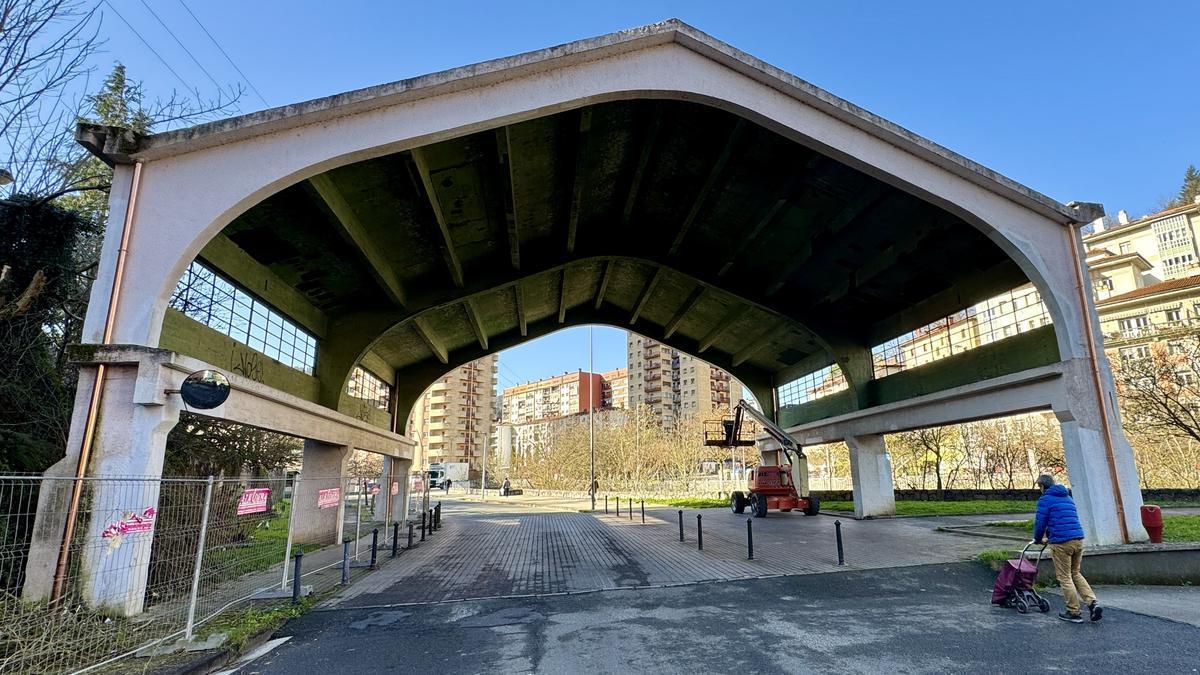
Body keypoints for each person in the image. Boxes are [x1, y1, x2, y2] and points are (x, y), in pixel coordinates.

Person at [1033, 474, 1102, 623]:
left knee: (1065, 577)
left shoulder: (1045, 499)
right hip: (1078, 539)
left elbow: (1040, 523)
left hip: (1061, 543)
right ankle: (1092, 602)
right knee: (1075, 573)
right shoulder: (1068, 497)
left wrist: (1038, 539)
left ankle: (1073, 612)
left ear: (1043, 487)